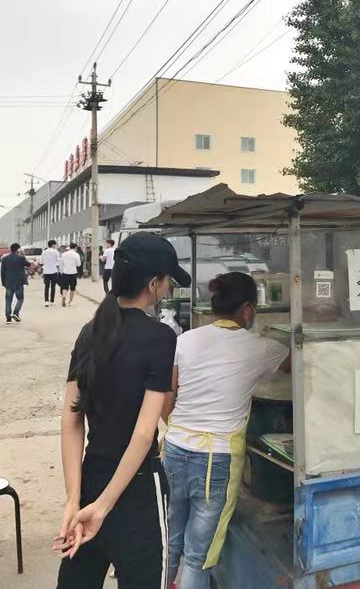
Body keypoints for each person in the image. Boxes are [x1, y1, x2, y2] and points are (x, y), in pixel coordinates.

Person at [53, 232, 191, 589]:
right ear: (153, 283)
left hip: (90, 479)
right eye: (166, 281)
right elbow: (144, 434)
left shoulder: (90, 331)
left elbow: (71, 420)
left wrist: (75, 501)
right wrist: (103, 507)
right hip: (136, 492)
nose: (167, 289)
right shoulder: (161, 337)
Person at [162, 272, 290, 589]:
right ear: (247, 309)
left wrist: (183, 426)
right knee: (198, 556)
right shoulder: (258, 347)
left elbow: (167, 397)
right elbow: (299, 361)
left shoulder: (185, 339)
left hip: (175, 449)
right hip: (215, 459)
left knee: (169, 542)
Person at [1, 243, 28, 324]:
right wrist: (23, 255)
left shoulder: (5, 258)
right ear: (18, 249)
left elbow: (2, 272)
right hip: (19, 282)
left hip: (8, 282)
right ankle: (15, 313)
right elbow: (28, 264)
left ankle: (8, 318)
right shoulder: (21, 258)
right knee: (20, 298)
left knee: (8, 300)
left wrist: (3, 282)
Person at [40, 239, 61, 307]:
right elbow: (58, 261)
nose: (55, 246)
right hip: (54, 271)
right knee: (53, 287)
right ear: (52, 245)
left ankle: (46, 301)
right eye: (55, 244)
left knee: (46, 286)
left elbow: (41, 262)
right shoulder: (56, 252)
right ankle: (52, 301)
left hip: (46, 271)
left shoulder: (44, 252)